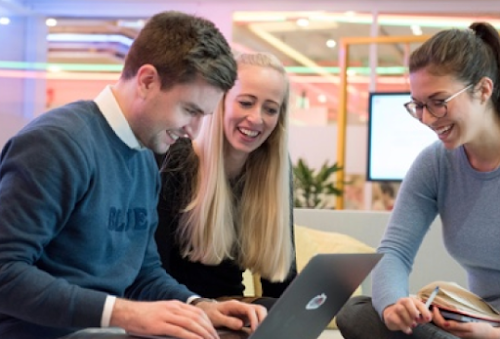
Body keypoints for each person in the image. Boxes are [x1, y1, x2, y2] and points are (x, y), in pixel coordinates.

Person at [0, 11, 267, 339]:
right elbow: (5, 272)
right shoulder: (55, 144)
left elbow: (143, 272)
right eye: (189, 111)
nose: (193, 131)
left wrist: (198, 306)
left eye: (203, 116)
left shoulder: (145, 155)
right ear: (146, 81)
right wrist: (124, 313)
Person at [336, 21, 500, 339]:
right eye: (419, 106)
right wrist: (394, 306)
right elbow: (395, 251)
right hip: (475, 318)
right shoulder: (436, 162)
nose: (426, 118)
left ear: (483, 90)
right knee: (358, 313)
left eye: (438, 101)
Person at [155, 52, 297, 309]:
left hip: (232, 311)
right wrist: (203, 310)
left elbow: (280, 285)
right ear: (220, 102)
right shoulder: (174, 160)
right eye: (246, 102)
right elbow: (153, 272)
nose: (257, 118)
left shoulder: (273, 172)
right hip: (177, 310)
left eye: (270, 109)